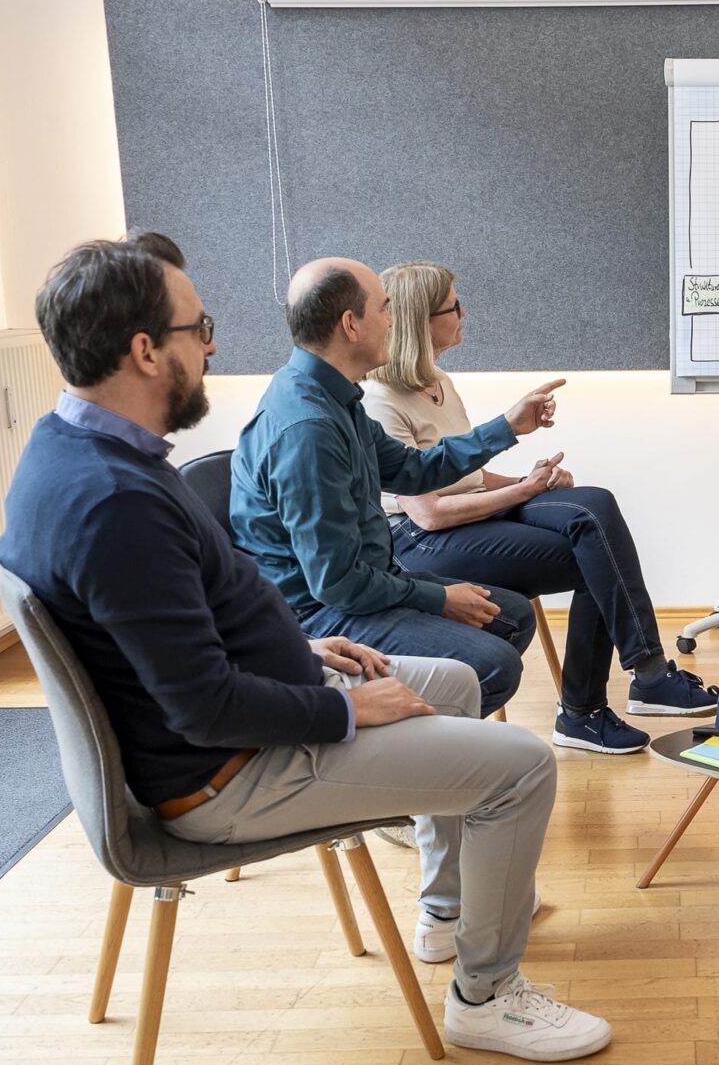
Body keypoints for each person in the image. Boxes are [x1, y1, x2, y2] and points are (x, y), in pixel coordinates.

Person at [0, 235, 612, 1061]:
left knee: (460, 688)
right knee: (523, 765)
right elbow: (201, 705)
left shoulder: (73, 453)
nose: (212, 344)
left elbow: (187, 638)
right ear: (146, 351)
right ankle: (487, 994)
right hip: (230, 771)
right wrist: (341, 707)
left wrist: (308, 650)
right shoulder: (117, 503)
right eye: (198, 326)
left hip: (266, 702)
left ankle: (446, 912)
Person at [361, 261, 719, 756]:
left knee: (595, 506)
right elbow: (428, 513)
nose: (465, 312)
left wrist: (530, 481)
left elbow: (468, 478)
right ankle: (602, 703)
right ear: (423, 321)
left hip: (468, 516)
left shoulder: (438, 379)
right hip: (419, 545)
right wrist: (524, 493)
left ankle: (630, 686)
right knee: (598, 558)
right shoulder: (379, 399)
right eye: (454, 306)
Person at [232, 258, 565, 719]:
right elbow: (336, 585)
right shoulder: (307, 429)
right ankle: (409, 757)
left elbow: (412, 470)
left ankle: (438, 742)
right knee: (494, 665)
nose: (394, 320)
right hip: (317, 614)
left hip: (362, 582)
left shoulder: (333, 397)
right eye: (385, 309)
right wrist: (439, 599)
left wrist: (507, 426)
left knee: (510, 615)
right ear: (351, 324)